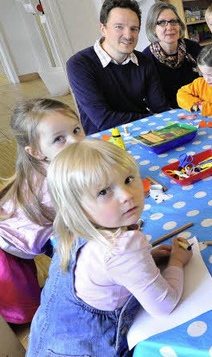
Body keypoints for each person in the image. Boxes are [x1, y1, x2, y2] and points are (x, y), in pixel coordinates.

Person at [27, 140, 192, 356]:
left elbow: (105, 271)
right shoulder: (122, 248)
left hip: (47, 342)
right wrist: (177, 262)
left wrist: (145, 261)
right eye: (104, 191)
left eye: (128, 179)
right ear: (78, 208)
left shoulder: (72, 228)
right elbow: (164, 306)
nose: (126, 195)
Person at [0, 99, 85, 325]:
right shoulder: (53, 182)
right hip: (8, 255)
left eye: (76, 129)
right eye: (59, 139)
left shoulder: (50, 164)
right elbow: (77, 223)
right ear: (36, 152)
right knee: (24, 316)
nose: (75, 140)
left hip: (15, 244)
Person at [66, 0, 169, 135]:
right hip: (105, 142)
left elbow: (160, 108)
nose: (128, 35)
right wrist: (152, 119)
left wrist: (166, 119)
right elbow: (104, 120)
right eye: (119, 27)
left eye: (134, 29)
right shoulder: (79, 64)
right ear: (103, 29)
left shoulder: (144, 61)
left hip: (145, 134)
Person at [143, 1, 201, 108]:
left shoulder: (194, 48)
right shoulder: (146, 59)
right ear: (152, 28)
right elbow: (153, 101)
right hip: (166, 114)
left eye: (174, 21)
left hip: (198, 106)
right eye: (162, 22)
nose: (170, 27)